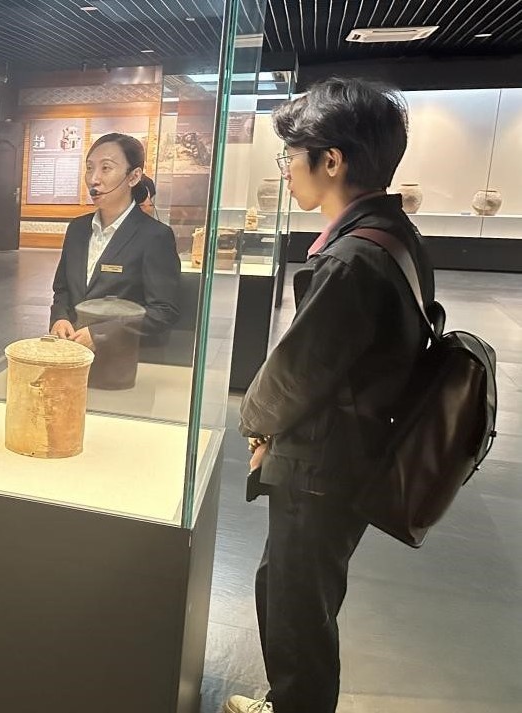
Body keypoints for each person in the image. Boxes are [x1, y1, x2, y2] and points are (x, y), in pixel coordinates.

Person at [227, 78, 434, 713]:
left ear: (332, 160)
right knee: (295, 591)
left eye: (292, 154)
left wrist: (256, 424)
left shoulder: (352, 260)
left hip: (322, 464)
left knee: (297, 607)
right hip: (353, 452)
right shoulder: (391, 235)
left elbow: (297, 372)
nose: (287, 168)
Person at [49, 133, 180, 349]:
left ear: (133, 177)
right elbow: (62, 290)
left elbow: (163, 311)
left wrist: (103, 333)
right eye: (89, 168)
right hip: (71, 352)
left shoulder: (155, 236)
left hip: (119, 358)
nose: (94, 179)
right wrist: (60, 318)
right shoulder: (77, 229)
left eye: (106, 168)